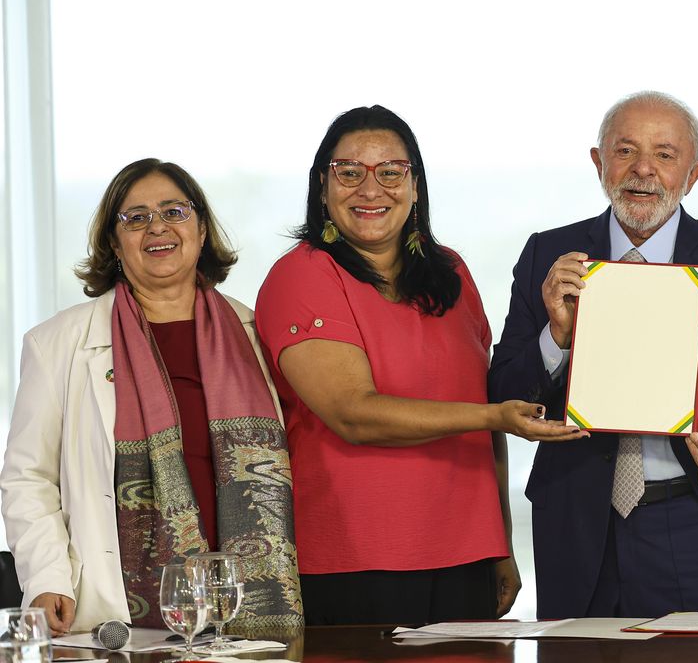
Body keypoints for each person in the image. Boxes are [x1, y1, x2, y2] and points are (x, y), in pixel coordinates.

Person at [488, 91, 698, 619]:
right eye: (625, 151)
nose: (643, 169)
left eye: (665, 155)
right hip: (577, 522)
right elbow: (505, 392)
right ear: (599, 163)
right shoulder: (547, 254)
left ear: (693, 174)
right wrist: (558, 335)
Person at [255, 106, 555, 626]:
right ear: (322, 186)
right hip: (356, 558)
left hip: (466, 552)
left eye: (391, 172)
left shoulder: (451, 272)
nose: (371, 189)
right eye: (350, 172)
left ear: (416, 186)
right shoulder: (301, 276)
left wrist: (501, 541)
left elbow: (486, 416)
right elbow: (354, 414)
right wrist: (494, 416)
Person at [2, 159, 300, 634]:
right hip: (116, 604)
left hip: (242, 602)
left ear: (201, 230)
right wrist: (46, 576)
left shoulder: (253, 332)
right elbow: (28, 477)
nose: (157, 227)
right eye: (136, 218)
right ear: (113, 242)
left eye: (174, 212)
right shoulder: (57, 343)